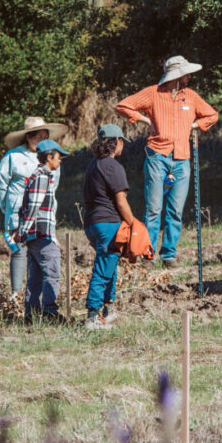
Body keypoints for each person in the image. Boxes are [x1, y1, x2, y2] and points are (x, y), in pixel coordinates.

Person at [116, 56, 219, 268]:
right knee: (154, 209)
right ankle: (148, 255)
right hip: (157, 156)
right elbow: (123, 106)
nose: (189, 77)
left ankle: (169, 255)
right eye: (186, 74)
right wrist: (146, 119)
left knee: (175, 210)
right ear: (176, 76)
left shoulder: (190, 96)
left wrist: (193, 126)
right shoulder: (153, 93)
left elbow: (212, 115)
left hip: (182, 158)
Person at [0, 116, 68, 301]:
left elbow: (53, 187)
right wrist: (4, 205)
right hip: (17, 210)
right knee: (19, 249)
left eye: (45, 136)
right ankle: (16, 293)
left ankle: (36, 296)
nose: (41, 140)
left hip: (42, 215)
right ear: (28, 137)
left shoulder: (52, 157)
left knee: (39, 252)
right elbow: (1, 182)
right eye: (38, 136)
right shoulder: (13, 156)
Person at [82, 124, 137, 330]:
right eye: (122, 141)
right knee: (103, 269)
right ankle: (93, 316)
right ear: (117, 142)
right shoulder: (113, 167)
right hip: (108, 223)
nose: (123, 145)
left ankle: (109, 309)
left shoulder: (92, 166)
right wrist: (134, 225)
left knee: (110, 266)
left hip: (92, 223)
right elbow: (121, 201)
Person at [15, 139, 69, 319]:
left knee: (36, 276)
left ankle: (31, 313)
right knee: (52, 272)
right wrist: (22, 231)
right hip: (40, 233)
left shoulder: (38, 176)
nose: (60, 160)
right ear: (49, 157)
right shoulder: (42, 177)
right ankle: (49, 312)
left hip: (38, 234)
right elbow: (33, 207)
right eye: (58, 156)